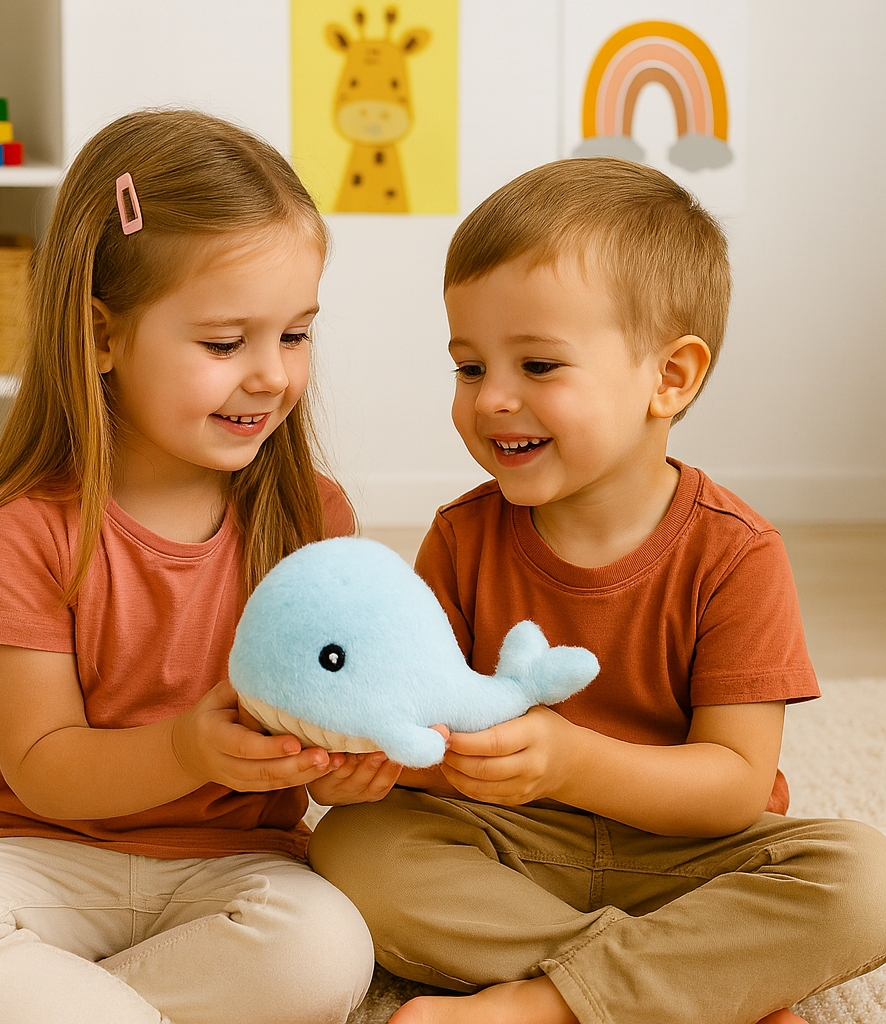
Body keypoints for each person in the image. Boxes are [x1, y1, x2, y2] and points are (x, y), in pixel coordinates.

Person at [306, 158, 886, 1024]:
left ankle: (545, 1006)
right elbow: (420, 738)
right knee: (352, 847)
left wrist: (571, 760)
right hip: (515, 846)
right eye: (470, 368)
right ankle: (693, 984)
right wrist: (369, 758)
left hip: (687, 856)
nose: (491, 400)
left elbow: (735, 785)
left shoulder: (738, 553)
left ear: (670, 378)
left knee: (866, 882)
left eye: (538, 365)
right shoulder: (460, 537)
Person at [0, 108, 373, 1024]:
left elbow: (332, 722)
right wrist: (186, 747)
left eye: (295, 335)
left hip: (233, 865)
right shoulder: (24, 533)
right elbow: (44, 767)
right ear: (101, 336)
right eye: (225, 343)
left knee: (327, 946)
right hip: (43, 854)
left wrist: (345, 766)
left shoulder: (312, 516)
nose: (270, 375)